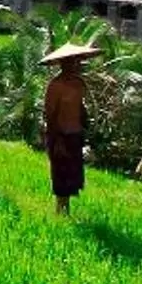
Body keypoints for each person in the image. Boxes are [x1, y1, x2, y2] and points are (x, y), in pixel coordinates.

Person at [40, 42, 96, 213]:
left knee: (73, 177)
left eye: (77, 62)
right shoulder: (55, 85)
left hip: (75, 134)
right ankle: (59, 210)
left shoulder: (79, 83)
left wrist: (87, 123)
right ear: (63, 63)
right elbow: (50, 116)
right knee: (60, 176)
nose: (76, 65)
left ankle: (66, 209)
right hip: (60, 135)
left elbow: (80, 107)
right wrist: (56, 141)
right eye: (72, 62)